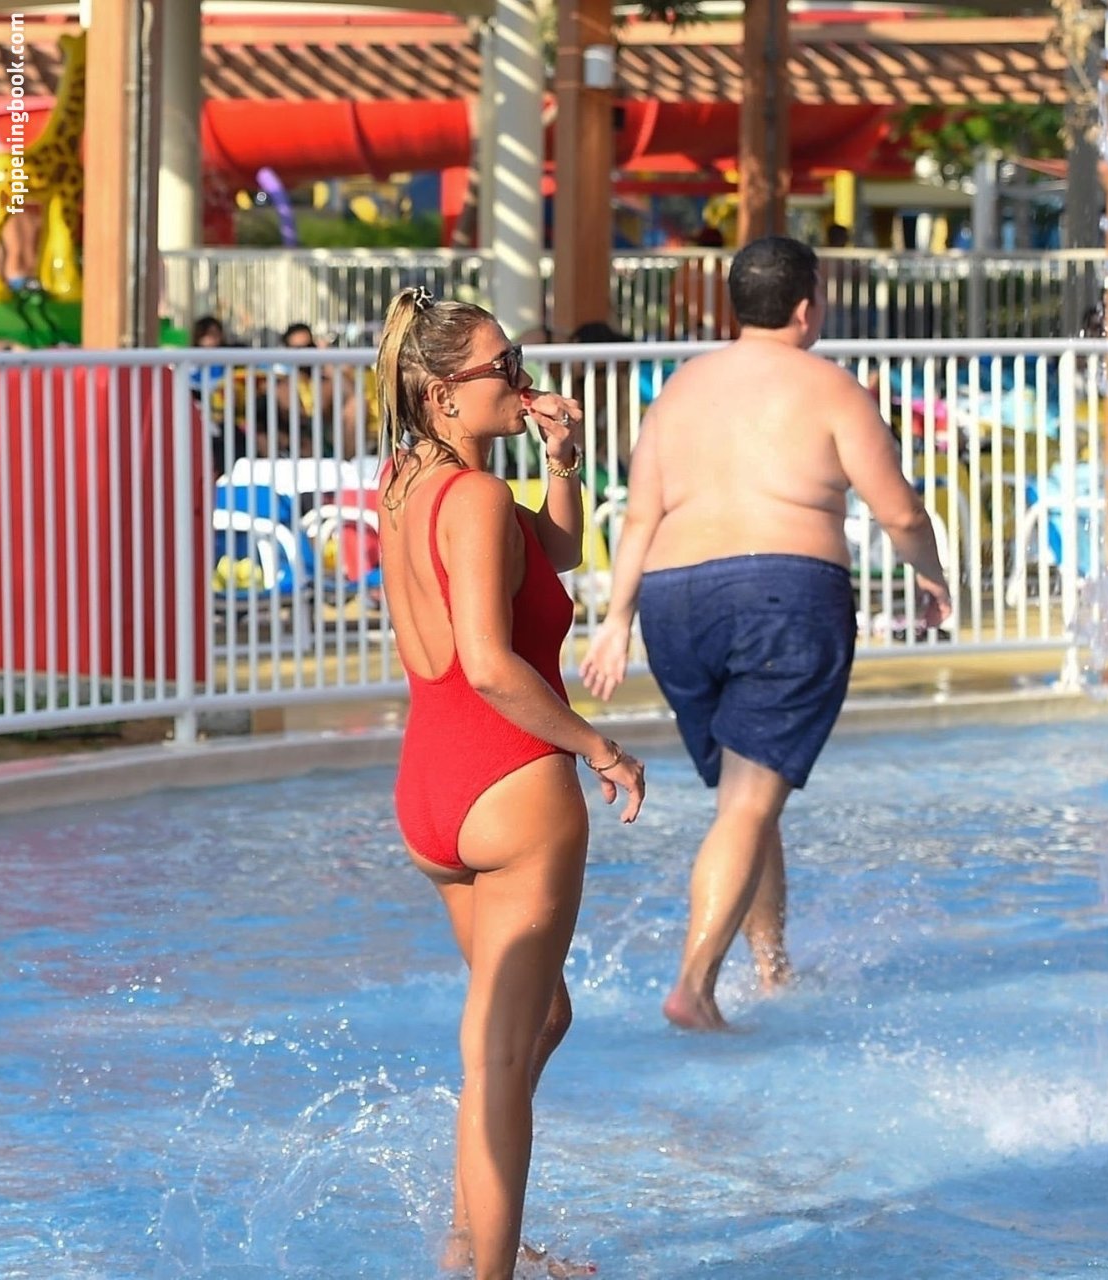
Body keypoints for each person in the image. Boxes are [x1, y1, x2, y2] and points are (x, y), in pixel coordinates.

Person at [580, 234, 952, 1032]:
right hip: (783, 595)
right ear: (808, 307)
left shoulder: (679, 389)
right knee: (749, 802)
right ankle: (694, 987)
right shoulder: (830, 387)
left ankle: (771, 967)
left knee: (748, 797)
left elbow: (639, 515)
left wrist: (615, 621)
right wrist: (931, 574)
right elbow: (898, 511)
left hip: (674, 604)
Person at [374, 285, 646, 1279]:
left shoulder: (404, 480)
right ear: (444, 392)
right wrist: (597, 746)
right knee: (498, 1051)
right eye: (504, 366)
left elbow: (552, 552)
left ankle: (472, 1234)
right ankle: (489, 1269)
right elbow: (491, 665)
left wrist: (561, 460)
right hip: (509, 784)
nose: (523, 379)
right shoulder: (477, 499)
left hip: (430, 793)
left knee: (535, 1020)